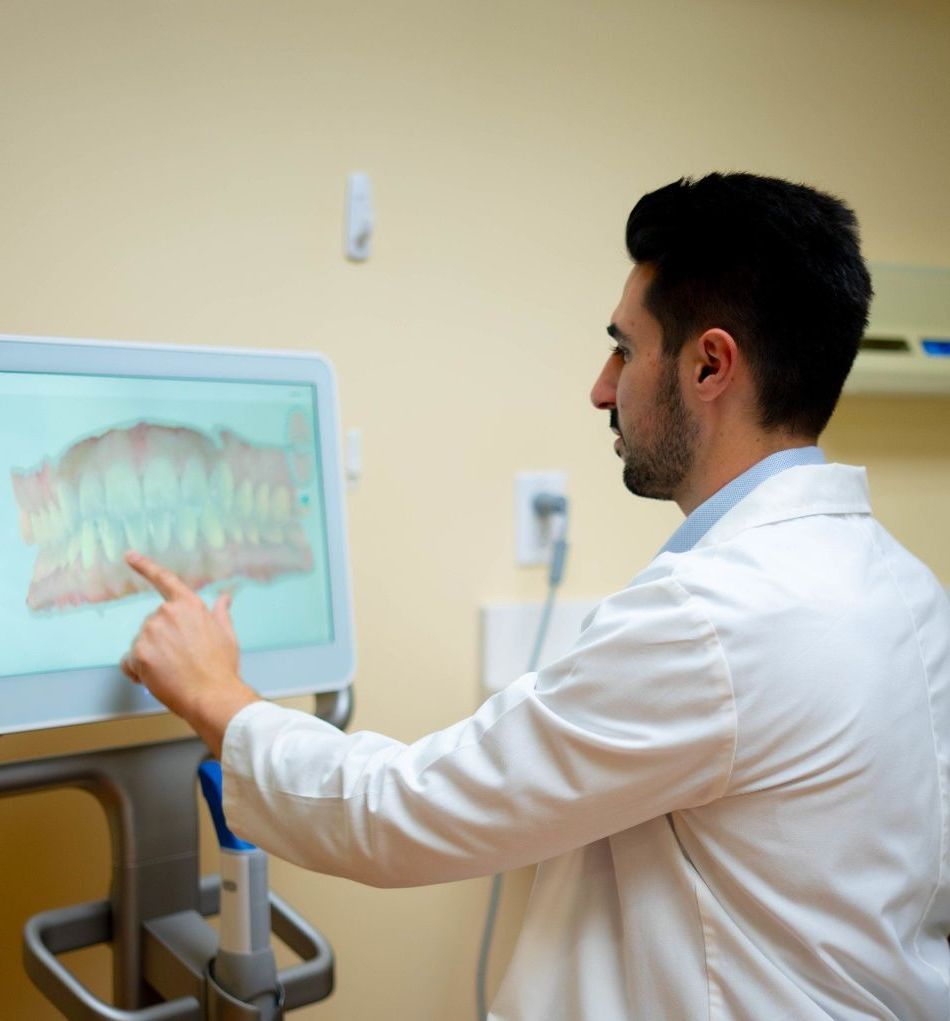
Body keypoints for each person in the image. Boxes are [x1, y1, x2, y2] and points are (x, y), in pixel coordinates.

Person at [121, 172, 950, 1020]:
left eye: (625, 348)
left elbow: (404, 811)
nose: (601, 386)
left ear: (710, 364)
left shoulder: (713, 620)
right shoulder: (909, 592)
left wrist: (216, 692)